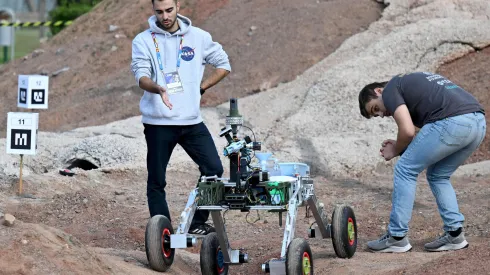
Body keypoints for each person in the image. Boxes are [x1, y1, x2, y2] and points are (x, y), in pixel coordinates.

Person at [130, 0, 231, 235]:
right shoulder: (143, 40)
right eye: (159, 12)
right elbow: (141, 75)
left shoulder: (199, 37)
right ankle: (161, 233)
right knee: (156, 180)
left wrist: (201, 88)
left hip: (191, 121)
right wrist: (158, 89)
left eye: (169, 10)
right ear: (153, 10)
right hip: (158, 122)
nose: (164, 16)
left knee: (214, 170)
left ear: (178, 6)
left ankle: (197, 223)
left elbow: (224, 65)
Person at [358, 72, 486, 252]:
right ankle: (455, 235)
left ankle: (397, 237)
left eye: (375, 108)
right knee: (438, 175)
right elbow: (424, 139)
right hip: (477, 123)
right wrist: (401, 146)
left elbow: (408, 131)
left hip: (452, 122)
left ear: (378, 91)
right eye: (376, 114)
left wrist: (395, 150)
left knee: (404, 170)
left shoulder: (390, 89)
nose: (381, 114)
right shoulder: (411, 84)